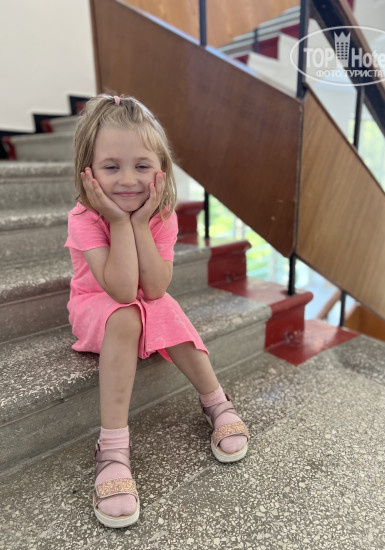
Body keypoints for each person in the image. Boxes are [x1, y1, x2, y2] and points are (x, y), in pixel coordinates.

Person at [65, 94, 249, 529]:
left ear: (161, 171)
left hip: (141, 299)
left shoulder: (161, 215)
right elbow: (120, 290)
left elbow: (155, 287)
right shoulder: (84, 218)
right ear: (88, 172)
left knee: (161, 304)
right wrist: (117, 220)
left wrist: (140, 223)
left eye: (142, 166)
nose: (128, 180)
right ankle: (112, 448)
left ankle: (216, 401)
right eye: (112, 167)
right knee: (127, 313)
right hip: (95, 305)